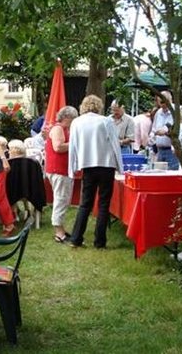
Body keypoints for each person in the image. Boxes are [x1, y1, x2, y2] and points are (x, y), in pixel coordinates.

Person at [68, 95, 122, 249]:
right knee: (104, 204)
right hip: (106, 165)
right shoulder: (106, 121)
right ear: (99, 106)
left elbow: (73, 146)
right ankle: (100, 242)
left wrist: (73, 167)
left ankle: (76, 238)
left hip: (88, 165)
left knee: (85, 203)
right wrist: (120, 167)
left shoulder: (77, 122)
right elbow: (115, 144)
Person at [47, 105, 79, 243]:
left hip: (62, 170)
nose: (74, 121)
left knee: (63, 199)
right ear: (66, 118)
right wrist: (74, 142)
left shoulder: (63, 128)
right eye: (73, 119)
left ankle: (60, 228)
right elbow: (58, 147)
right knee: (61, 200)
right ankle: (59, 233)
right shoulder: (58, 128)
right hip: (58, 170)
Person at [149, 90, 179, 170]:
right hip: (160, 151)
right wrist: (152, 140)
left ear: (170, 100)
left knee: (172, 175)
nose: (163, 104)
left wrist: (165, 132)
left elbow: (175, 128)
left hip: (172, 151)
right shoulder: (158, 113)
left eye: (165, 101)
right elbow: (154, 129)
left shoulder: (177, 111)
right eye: (161, 102)